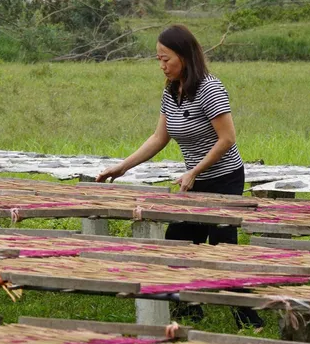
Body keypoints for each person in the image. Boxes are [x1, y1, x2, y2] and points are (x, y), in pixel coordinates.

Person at [96, 23, 262, 328]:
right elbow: (159, 137)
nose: (162, 66)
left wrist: (194, 170)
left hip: (223, 179)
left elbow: (227, 139)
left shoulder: (210, 88)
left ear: (184, 56)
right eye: (158, 59)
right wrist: (122, 167)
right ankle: (189, 311)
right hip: (193, 181)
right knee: (178, 241)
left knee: (222, 250)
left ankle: (249, 320)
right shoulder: (172, 91)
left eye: (166, 59)